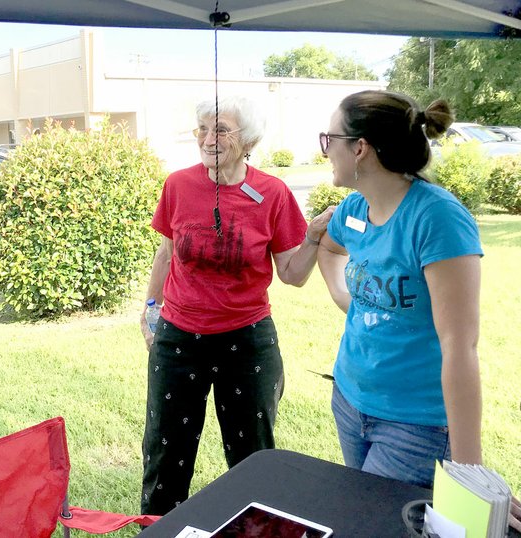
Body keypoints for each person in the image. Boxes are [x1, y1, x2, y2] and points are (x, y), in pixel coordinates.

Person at [139, 95, 334, 516]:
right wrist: (151, 307)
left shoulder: (273, 193)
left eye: (221, 130)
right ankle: (158, 528)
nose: (209, 140)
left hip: (246, 342)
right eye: (203, 130)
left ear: (248, 140)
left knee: (252, 456)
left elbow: (292, 274)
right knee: (164, 454)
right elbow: (166, 252)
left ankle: (255, 528)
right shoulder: (178, 184)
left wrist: (315, 238)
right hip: (178, 338)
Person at [315, 90, 484, 490]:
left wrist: (469, 469)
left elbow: (460, 346)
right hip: (350, 400)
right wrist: (348, 299)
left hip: (415, 424)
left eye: (329, 139)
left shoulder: (437, 218)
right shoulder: (355, 208)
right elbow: (329, 247)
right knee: (361, 513)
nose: (325, 151)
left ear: (360, 149)